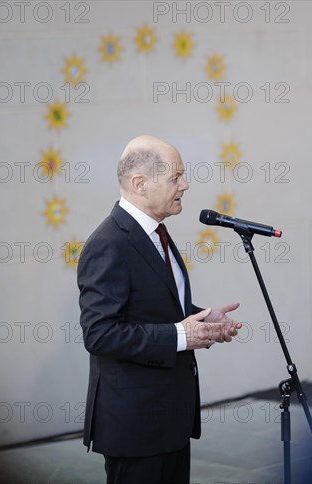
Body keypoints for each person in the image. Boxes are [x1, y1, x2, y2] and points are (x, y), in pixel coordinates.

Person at [77, 135, 242, 484]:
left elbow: (153, 307)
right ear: (140, 183)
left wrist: (203, 319)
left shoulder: (155, 233)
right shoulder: (108, 244)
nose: (185, 185)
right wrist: (182, 334)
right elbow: (100, 333)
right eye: (175, 177)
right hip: (135, 425)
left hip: (170, 418)